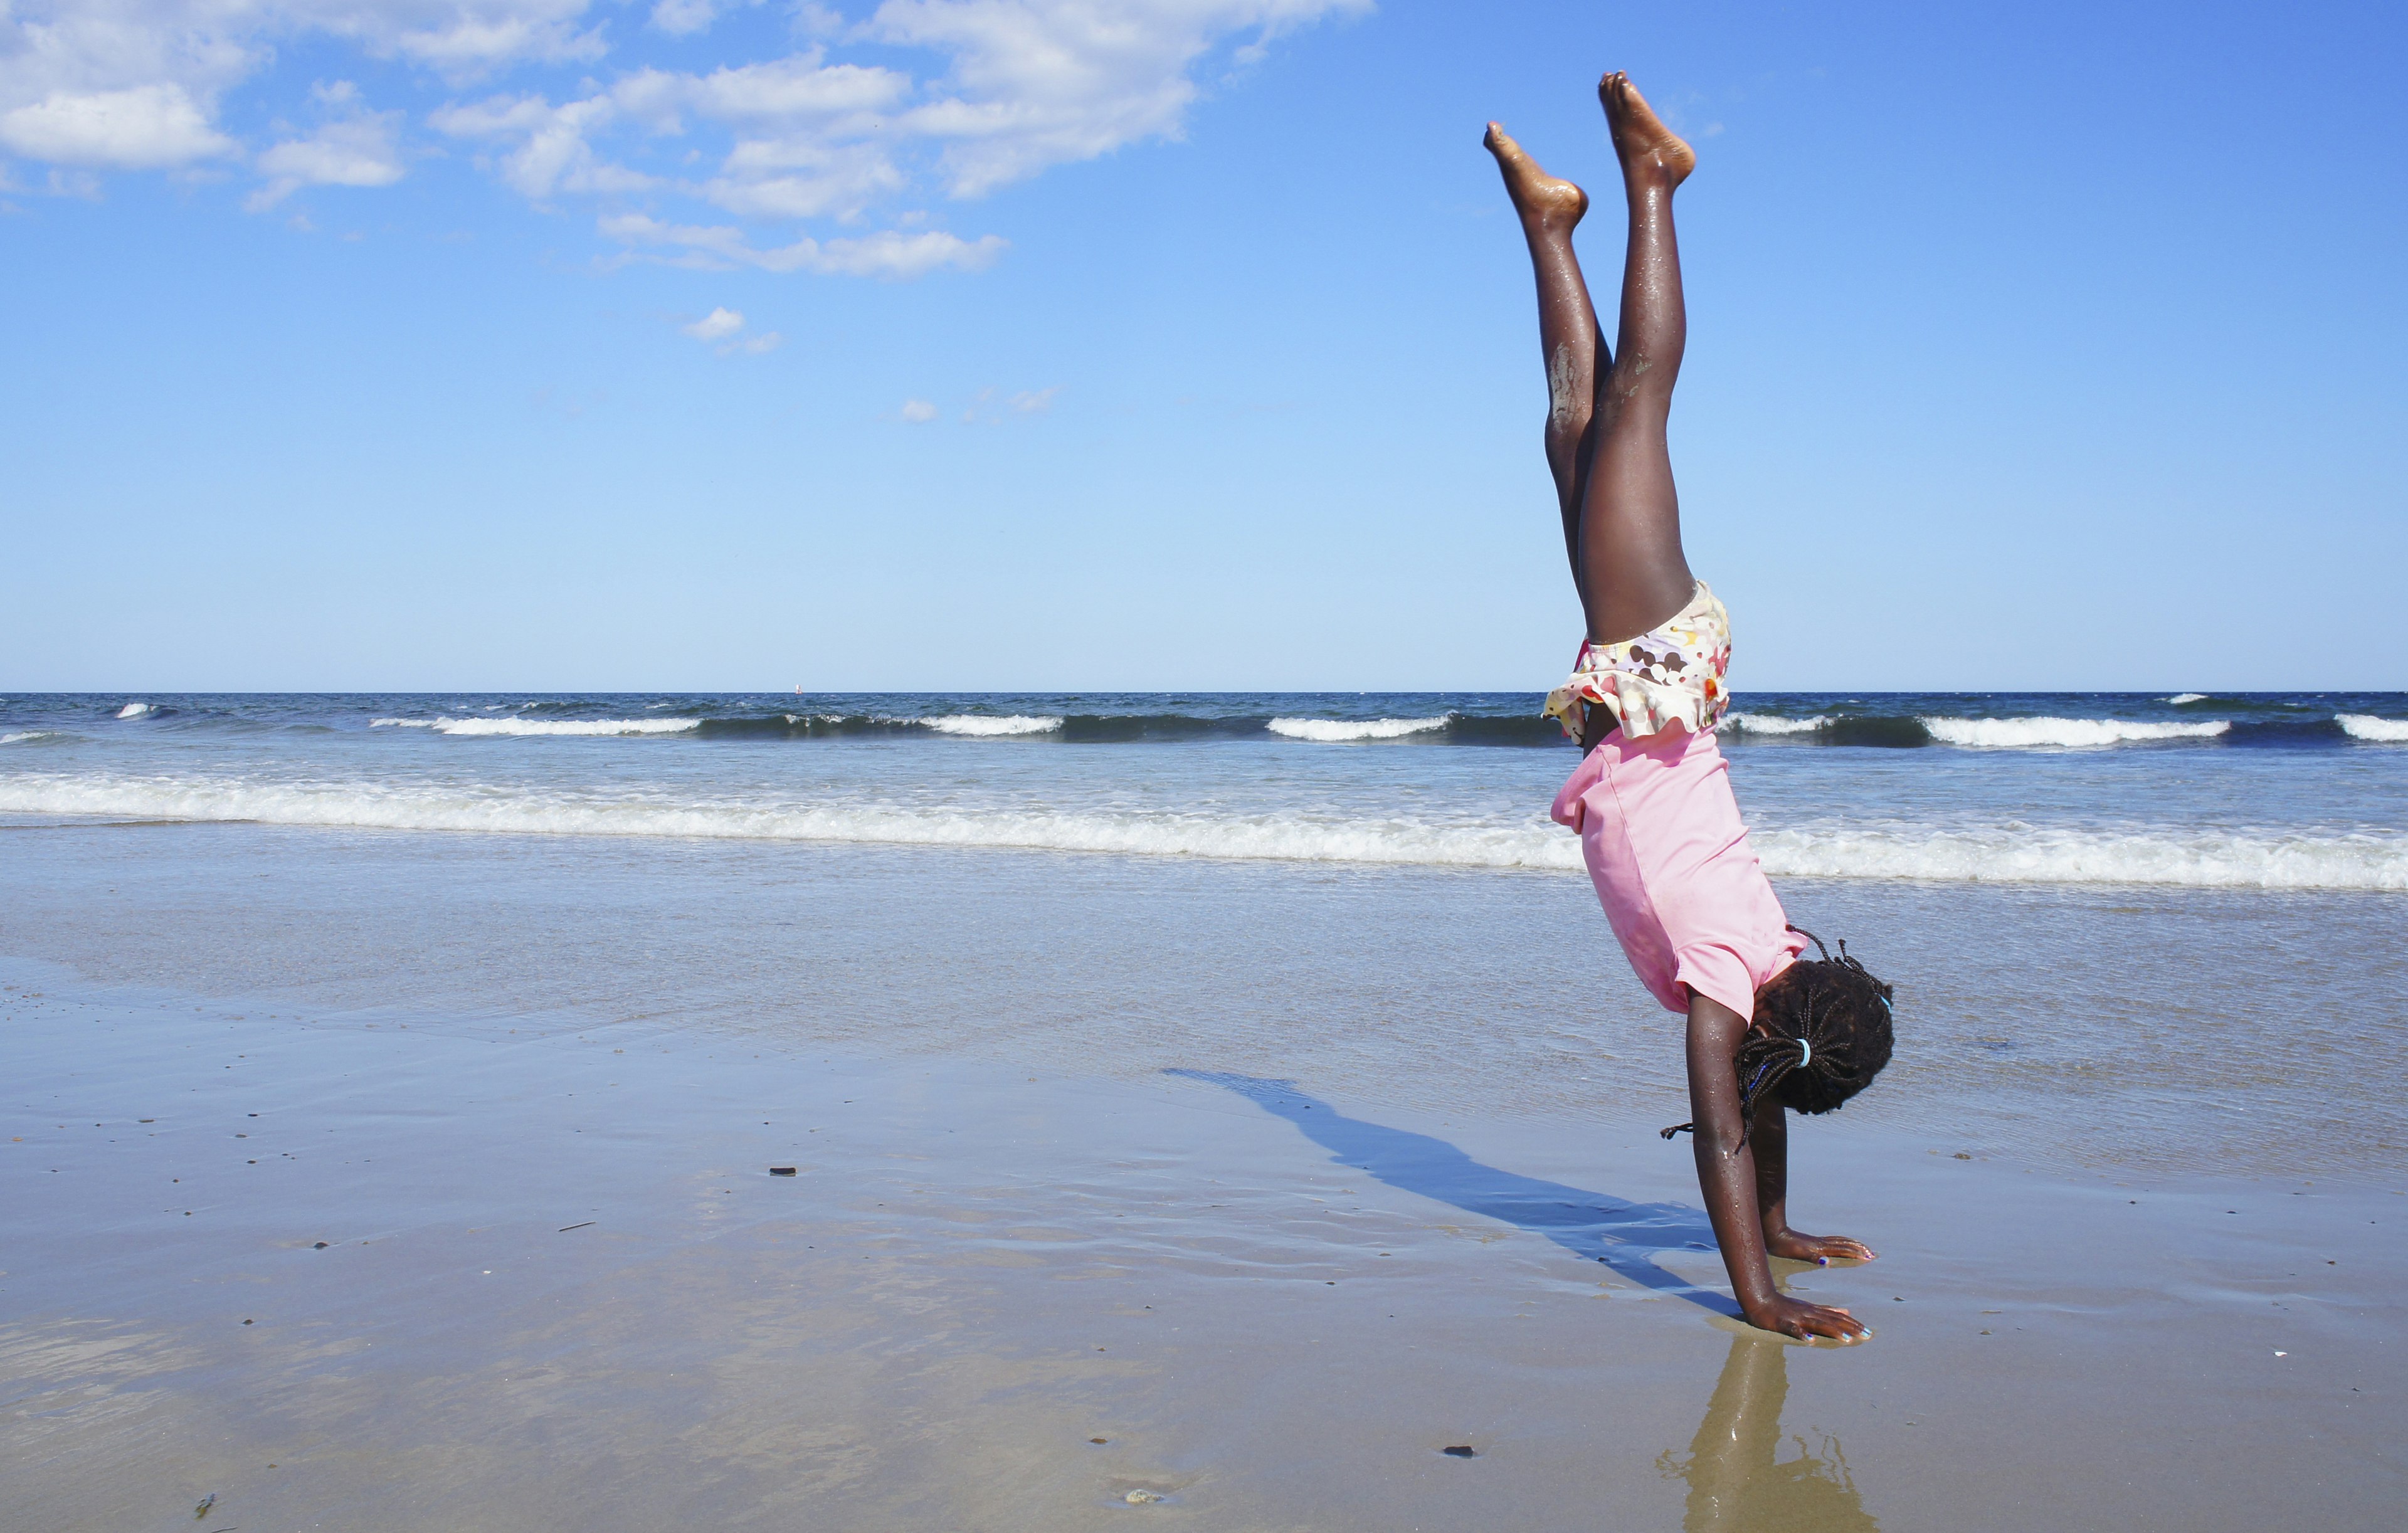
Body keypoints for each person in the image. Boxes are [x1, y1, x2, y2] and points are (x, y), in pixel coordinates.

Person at [1486, 73, 1896, 1343]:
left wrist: (1783, 1223)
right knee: (1638, 404)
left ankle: (1554, 224)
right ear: (1776, 1022)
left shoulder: (1767, 967)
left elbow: (1758, 1104)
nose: (1749, 1069)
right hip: (1656, 653)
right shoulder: (1730, 983)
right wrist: (1759, 1297)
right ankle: (1655, 184)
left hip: (1638, 678)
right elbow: (1720, 1128)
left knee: (1574, 438)